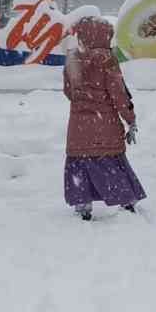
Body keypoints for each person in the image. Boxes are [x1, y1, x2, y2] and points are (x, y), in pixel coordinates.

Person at [62, 16, 145, 221]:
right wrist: (130, 118)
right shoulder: (107, 59)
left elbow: (68, 92)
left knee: (79, 165)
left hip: (78, 129)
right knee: (110, 163)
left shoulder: (72, 58)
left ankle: (82, 205)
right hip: (104, 126)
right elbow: (119, 95)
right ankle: (126, 200)